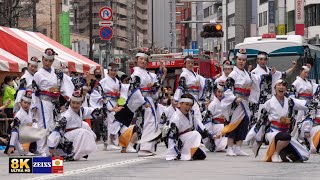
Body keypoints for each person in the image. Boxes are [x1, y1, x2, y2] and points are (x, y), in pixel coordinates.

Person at [114, 51, 159, 157]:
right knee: (148, 123)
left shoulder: (147, 74)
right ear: (136, 60)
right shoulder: (136, 74)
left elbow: (155, 85)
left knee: (147, 124)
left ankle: (143, 146)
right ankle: (144, 148)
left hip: (148, 98)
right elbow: (134, 88)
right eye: (140, 59)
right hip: (144, 100)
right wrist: (143, 102)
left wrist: (153, 87)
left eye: (145, 60)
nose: (143, 61)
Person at [32, 48, 74, 157]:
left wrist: (69, 99)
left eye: (50, 61)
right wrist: (34, 105)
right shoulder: (38, 74)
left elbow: (66, 84)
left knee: (55, 124)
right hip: (43, 101)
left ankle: (52, 147)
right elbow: (34, 91)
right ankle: (42, 149)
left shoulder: (56, 73)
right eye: (45, 60)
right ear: (42, 59)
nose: (47, 63)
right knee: (43, 125)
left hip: (55, 103)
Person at [255, 79, 310, 162]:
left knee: (304, 155)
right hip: (272, 132)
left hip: (285, 132)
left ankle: (283, 152)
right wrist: (258, 137)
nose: (281, 87)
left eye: (283, 85)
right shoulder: (269, 103)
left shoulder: (290, 102)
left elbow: (304, 104)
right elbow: (262, 120)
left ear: (286, 88)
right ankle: (275, 153)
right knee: (286, 137)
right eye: (279, 85)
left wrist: (314, 103)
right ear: (275, 88)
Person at [47, 90, 98, 161]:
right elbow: (57, 131)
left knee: (85, 125)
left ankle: (81, 152)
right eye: (73, 103)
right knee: (82, 132)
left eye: (77, 103)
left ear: (81, 104)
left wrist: (104, 110)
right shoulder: (66, 116)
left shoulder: (81, 111)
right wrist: (51, 147)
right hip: (62, 141)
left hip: (71, 136)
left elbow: (93, 112)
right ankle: (71, 154)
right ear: (70, 102)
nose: (75, 105)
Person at [220, 48, 251, 156]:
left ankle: (238, 147)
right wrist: (234, 98)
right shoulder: (233, 74)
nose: (241, 62)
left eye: (243, 60)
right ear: (236, 60)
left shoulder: (247, 73)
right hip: (236, 101)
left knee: (244, 124)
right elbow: (227, 89)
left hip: (245, 101)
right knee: (234, 124)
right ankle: (229, 147)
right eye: (239, 59)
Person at [165, 93, 214, 161]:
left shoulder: (191, 114)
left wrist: (209, 134)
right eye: (186, 104)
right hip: (177, 141)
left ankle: (185, 153)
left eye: (190, 105)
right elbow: (172, 137)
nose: (188, 107)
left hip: (187, 140)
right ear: (181, 103)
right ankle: (181, 154)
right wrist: (172, 155)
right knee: (195, 134)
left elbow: (199, 125)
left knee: (202, 155)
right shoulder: (176, 117)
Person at [90, 62, 123, 150]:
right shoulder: (104, 81)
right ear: (108, 71)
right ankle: (108, 142)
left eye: (115, 70)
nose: (113, 72)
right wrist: (101, 99)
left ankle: (113, 141)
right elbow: (96, 91)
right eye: (111, 70)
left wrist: (121, 103)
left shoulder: (118, 81)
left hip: (116, 102)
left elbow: (121, 93)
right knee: (109, 122)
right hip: (108, 102)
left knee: (117, 121)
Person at [290, 65, 319, 142]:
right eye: (305, 72)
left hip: (310, 103)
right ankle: (296, 137)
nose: (306, 74)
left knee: (309, 120)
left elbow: (316, 87)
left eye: (308, 73)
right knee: (299, 120)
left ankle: (306, 138)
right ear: (300, 72)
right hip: (301, 103)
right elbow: (293, 95)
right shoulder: (296, 82)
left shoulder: (309, 81)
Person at [7, 90, 35, 156]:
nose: (26, 105)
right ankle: (19, 148)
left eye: (28, 103)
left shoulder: (31, 112)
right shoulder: (18, 115)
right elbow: (15, 129)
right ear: (21, 103)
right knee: (22, 152)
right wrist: (11, 145)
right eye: (25, 103)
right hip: (16, 133)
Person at [204, 84, 228, 152]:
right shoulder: (213, 104)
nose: (220, 94)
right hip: (216, 127)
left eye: (222, 92)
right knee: (221, 127)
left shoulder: (225, 103)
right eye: (219, 92)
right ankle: (216, 145)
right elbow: (208, 120)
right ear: (215, 93)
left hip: (224, 125)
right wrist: (210, 133)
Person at [89, 68, 103, 141]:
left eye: (99, 72)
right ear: (94, 74)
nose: (98, 74)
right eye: (96, 73)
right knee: (96, 119)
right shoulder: (93, 83)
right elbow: (91, 93)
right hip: (95, 104)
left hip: (104, 103)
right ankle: (97, 135)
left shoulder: (104, 82)